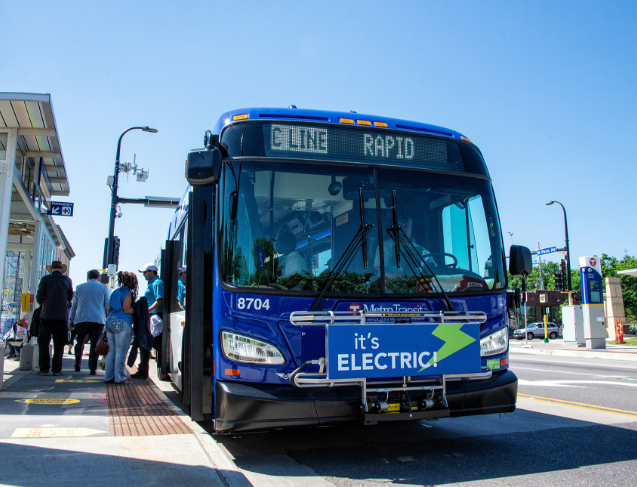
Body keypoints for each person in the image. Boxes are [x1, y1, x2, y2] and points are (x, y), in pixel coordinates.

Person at [35, 260, 73, 376]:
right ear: (61, 269)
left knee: (43, 342)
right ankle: (57, 369)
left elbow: (39, 296)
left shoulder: (45, 279)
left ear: (51, 269)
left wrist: (44, 303)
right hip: (61, 316)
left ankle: (44, 369)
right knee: (59, 344)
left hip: (46, 315)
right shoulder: (67, 280)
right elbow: (70, 296)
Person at [69, 269, 110, 374]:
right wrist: (108, 318)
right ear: (98, 277)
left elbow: (74, 306)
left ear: (88, 277)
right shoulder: (104, 287)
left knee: (80, 342)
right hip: (97, 319)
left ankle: (77, 364)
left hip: (81, 319)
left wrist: (71, 320)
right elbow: (107, 305)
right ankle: (93, 368)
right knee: (94, 344)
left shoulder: (79, 287)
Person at [131, 263, 164, 379]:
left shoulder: (158, 283)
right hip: (151, 316)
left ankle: (144, 370)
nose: (144, 275)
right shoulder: (152, 283)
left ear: (151, 271)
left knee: (154, 343)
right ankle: (143, 369)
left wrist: (147, 310)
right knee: (145, 343)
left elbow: (160, 300)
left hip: (155, 316)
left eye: (145, 272)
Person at [104, 271, 137, 384]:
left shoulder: (115, 292)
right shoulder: (127, 293)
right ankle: (120, 377)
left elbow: (109, 309)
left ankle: (108, 377)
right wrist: (137, 308)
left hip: (110, 320)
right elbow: (127, 309)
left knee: (112, 351)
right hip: (122, 322)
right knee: (120, 351)